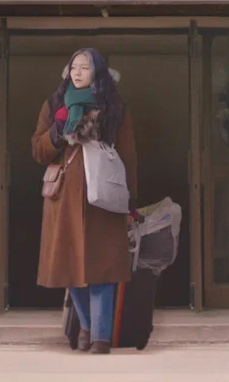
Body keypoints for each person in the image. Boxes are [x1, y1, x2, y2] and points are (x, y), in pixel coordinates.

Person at [31, 47, 138, 354]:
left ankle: (100, 338)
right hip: (64, 199)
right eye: (73, 67)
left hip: (103, 198)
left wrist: (130, 201)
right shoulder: (54, 104)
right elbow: (38, 151)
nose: (77, 73)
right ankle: (88, 327)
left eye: (85, 68)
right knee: (69, 264)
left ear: (98, 73)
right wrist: (58, 128)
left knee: (103, 268)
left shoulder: (114, 107)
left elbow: (128, 156)